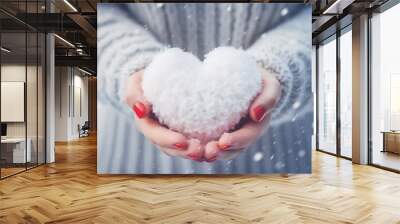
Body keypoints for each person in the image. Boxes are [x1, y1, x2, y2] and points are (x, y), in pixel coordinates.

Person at [98, 3, 312, 173]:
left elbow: (317, 15)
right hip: (131, 161)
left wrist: (280, 71)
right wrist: (129, 68)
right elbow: (99, 14)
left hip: (280, 162)